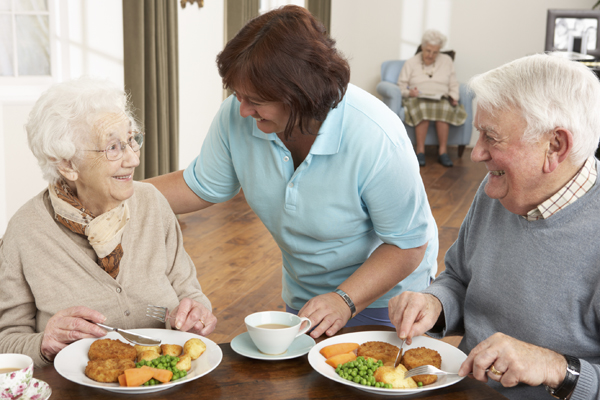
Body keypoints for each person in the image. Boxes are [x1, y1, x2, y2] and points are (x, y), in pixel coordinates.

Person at [148, 5, 438, 339]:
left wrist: (345, 299)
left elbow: (408, 245)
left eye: (255, 99)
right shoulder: (240, 116)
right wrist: (116, 194)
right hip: (307, 297)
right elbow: (199, 186)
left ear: (300, 95)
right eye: (237, 95)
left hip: (388, 299)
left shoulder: (376, 136)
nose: (242, 109)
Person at [389, 54, 600, 400]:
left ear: (555, 146)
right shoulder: (497, 188)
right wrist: (435, 304)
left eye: (491, 137)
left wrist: (554, 367)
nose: (476, 153)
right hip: (465, 389)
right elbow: (458, 278)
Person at [0, 77, 216, 367]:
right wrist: (44, 343)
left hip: (165, 381)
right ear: (67, 164)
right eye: (113, 147)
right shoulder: (25, 230)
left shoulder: (151, 202)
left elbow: (189, 291)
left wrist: (197, 312)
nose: (133, 159)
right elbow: (7, 342)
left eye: (131, 140)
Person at [397, 29, 467, 167]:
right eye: (428, 50)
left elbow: (453, 82)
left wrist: (454, 96)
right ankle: (420, 151)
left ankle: (443, 152)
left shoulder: (446, 61)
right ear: (422, 47)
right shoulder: (411, 62)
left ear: (439, 50)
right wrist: (409, 93)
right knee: (422, 108)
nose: (430, 55)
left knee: (445, 108)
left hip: (441, 97)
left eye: (435, 52)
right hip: (417, 98)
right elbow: (401, 86)